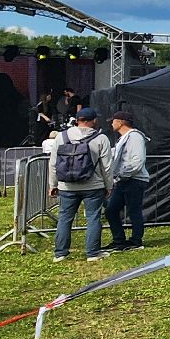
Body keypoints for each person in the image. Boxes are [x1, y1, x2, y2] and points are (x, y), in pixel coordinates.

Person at [49, 107, 113, 262]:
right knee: (93, 218)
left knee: (65, 217)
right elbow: (107, 166)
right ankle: (92, 253)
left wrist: (53, 184)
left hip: (67, 186)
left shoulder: (61, 137)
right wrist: (108, 185)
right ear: (94, 121)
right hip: (93, 185)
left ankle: (60, 253)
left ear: (77, 120)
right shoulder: (100, 138)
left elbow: (53, 163)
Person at [105, 111, 151, 252]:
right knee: (111, 210)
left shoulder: (135, 137)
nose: (111, 123)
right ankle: (119, 240)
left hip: (134, 180)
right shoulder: (123, 138)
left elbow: (137, 161)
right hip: (123, 180)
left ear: (121, 122)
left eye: (113, 121)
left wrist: (122, 174)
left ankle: (136, 241)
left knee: (134, 210)